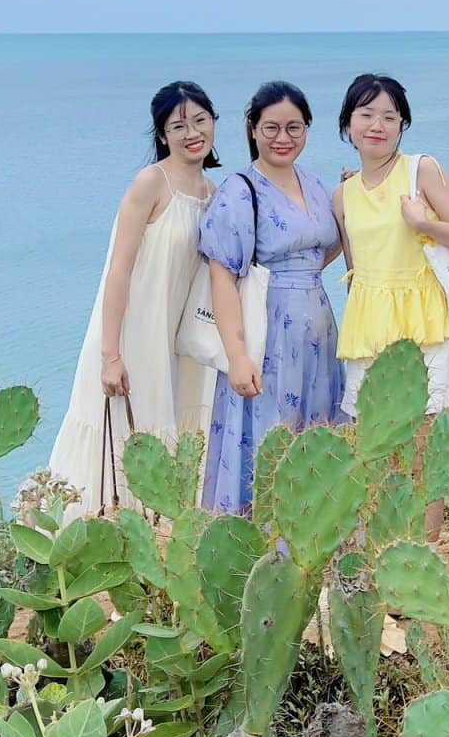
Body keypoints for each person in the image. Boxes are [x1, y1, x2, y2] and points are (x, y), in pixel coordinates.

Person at [47, 81, 221, 514]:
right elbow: (118, 270)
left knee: (168, 430)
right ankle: (99, 528)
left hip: (177, 338)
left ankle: (156, 528)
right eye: (178, 125)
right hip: (132, 331)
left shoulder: (212, 193)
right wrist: (110, 355)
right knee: (125, 430)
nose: (192, 132)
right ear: (162, 134)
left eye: (200, 120)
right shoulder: (151, 182)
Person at [333, 72, 449, 547]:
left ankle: (423, 552)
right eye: (366, 115)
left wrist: (422, 222)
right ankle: (385, 552)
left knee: (424, 452)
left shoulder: (421, 171)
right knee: (377, 452)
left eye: (389, 117)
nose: (377, 125)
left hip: (421, 322)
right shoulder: (343, 194)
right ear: (348, 124)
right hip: (369, 325)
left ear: (402, 125)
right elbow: (354, 266)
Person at [199, 80, 343, 514]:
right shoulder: (240, 191)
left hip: (319, 329)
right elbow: (222, 278)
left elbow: (325, 247)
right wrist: (237, 356)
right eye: (272, 128)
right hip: (268, 336)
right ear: (253, 129)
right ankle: (260, 540)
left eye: (294, 128)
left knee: (317, 437)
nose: (283, 138)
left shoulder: (314, 183)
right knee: (268, 437)